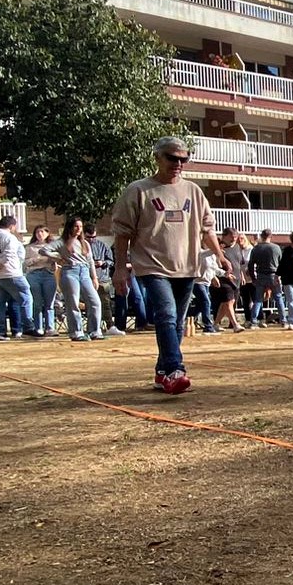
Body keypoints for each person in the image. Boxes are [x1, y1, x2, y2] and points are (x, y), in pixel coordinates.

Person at [107, 133, 222, 394]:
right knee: (166, 315)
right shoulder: (138, 190)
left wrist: (221, 255)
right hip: (152, 265)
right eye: (172, 158)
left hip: (187, 265)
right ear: (157, 158)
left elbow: (208, 229)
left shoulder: (193, 190)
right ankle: (174, 369)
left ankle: (162, 372)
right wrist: (120, 269)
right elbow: (122, 232)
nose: (178, 163)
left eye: (184, 159)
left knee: (178, 321)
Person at [0, 213, 33, 341]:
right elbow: (8, 256)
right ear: (12, 226)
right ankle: (28, 327)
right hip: (11, 273)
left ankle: (0, 332)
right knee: (26, 298)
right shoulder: (9, 237)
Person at [57, 218, 107, 341]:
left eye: (80, 226)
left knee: (95, 301)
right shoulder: (62, 242)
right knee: (73, 303)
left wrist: (94, 277)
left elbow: (90, 261)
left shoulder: (85, 243)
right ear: (70, 227)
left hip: (84, 272)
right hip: (70, 271)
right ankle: (76, 332)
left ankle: (94, 331)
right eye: (76, 226)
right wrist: (59, 258)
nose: (79, 229)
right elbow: (44, 250)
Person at [88, 229, 127, 336]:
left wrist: (103, 263)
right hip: (87, 278)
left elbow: (111, 261)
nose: (91, 240)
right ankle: (93, 327)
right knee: (91, 304)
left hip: (102, 278)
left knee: (106, 303)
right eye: (89, 237)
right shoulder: (82, 246)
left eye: (93, 237)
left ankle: (110, 325)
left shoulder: (103, 245)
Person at [23, 227, 60, 336]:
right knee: (37, 303)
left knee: (50, 303)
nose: (40, 234)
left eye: (42, 231)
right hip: (34, 275)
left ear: (47, 233)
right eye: (37, 232)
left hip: (49, 274)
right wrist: (38, 259)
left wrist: (49, 257)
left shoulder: (53, 246)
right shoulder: (30, 248)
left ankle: (50, 327)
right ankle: (38, 327)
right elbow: (25, 263)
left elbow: (58, 257)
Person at [247, 229, 281, 327]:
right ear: (271, 236)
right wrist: (279, 275)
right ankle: (283, 319)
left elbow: (251, 264)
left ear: (262, 236)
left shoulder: (256, 248)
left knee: (258, 300)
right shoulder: (276, 248)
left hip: (261, 275)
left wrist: (253, 278)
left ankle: (253, 320)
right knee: (278, 298)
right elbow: (281, 264)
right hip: (274, 275)